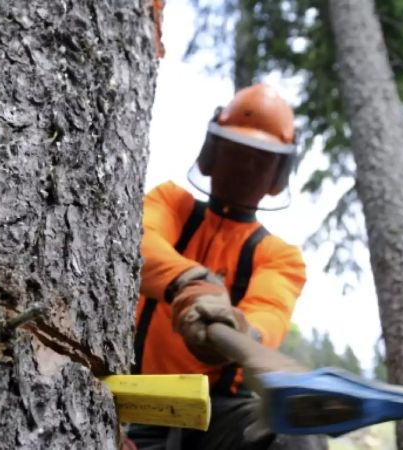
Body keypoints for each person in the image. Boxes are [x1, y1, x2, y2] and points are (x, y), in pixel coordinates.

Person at [128, 83, 318, 450]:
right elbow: (138, 239)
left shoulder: (280, 256)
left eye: (261, 160)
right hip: (132, 395)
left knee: (294, 438)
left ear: (278, 176)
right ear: (212, 153)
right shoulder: (171, 202)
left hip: (217, 417)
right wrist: (191, 282)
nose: (246, 167)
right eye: (236, 152)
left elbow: (269, 314)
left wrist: (241, 331)